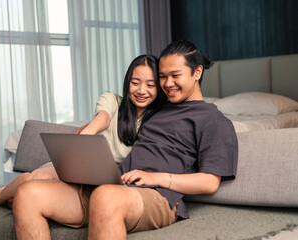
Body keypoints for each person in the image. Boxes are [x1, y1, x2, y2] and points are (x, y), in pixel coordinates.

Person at [12, 39, 238, 240]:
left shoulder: (213, 120)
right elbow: (120, 109)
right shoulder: (158, 107)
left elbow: (209, 182)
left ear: (197, 72)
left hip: (157, 197)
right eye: (162, 77)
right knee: (27, 194)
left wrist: (156, 178)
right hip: (115, 185)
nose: (168, 83)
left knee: (106, 197)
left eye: (175, 75)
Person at [0, 54, 164, 205]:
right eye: (135, 82)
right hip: (83, 160)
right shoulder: (112, 101)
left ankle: (8, 197)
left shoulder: (158, 121)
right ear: (127, 82)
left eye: (150, 85)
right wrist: (87, 134)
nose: (141, 90)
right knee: (35, 178)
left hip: (110, 176)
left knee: (38, 190)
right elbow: (102, 119)